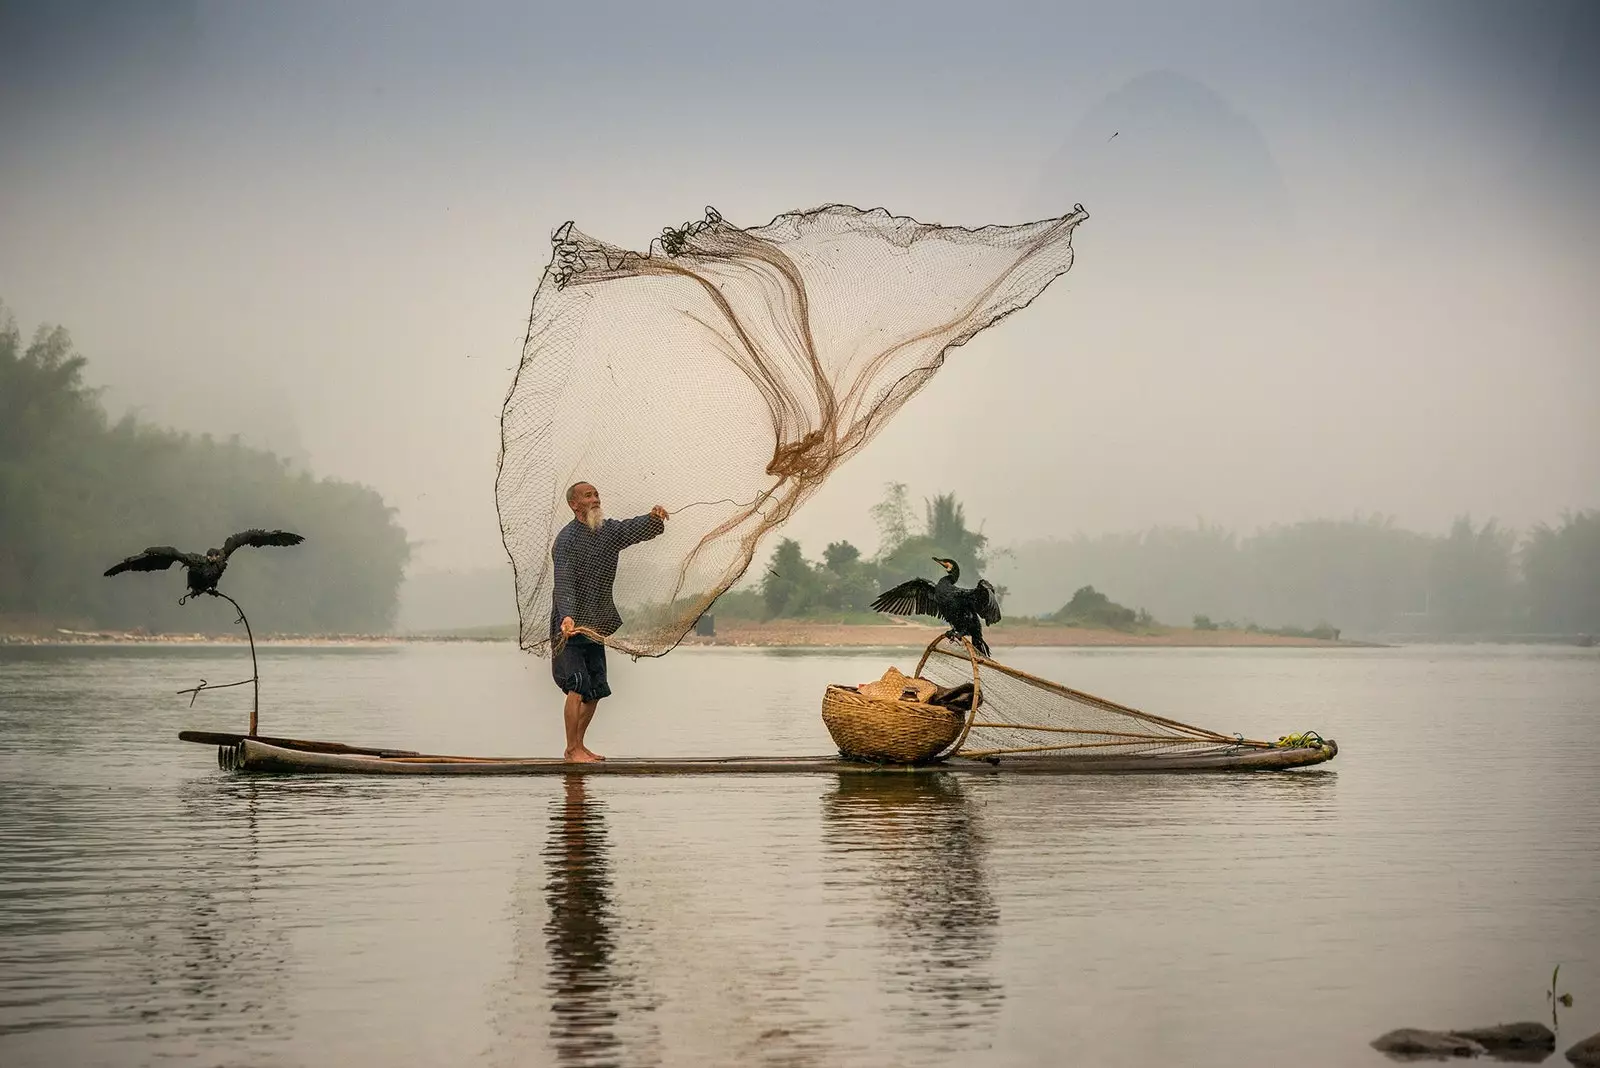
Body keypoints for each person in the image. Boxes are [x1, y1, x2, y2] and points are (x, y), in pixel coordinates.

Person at [550, 481, 667, 762]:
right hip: (570, 624)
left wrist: (654, 518)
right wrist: (567, 616)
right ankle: (571, 749)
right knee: (577, 685)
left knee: (595, 688)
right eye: (588, 496)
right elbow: (563, 582)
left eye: (597, 494)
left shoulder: (607, 531)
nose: (595, 499)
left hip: (596, 622)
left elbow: (632, 529)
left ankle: (579, 745)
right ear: (574, 505)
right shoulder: (566, 541)